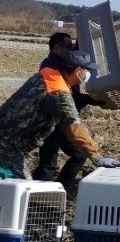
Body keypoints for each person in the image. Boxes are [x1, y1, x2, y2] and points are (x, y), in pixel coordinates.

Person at [0, 50, 120, 180]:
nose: (88, 73)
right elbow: (74, 127)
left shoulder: (47, 75)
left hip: (7, 138)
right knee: (23, 188)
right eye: (87, 70)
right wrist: (96, 156)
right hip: (7, 144)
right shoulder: (58, 92)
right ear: (78, 70)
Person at [32, 33, 104, 191]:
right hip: (53, 121)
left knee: (77, 154)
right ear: (56, 48)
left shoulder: (66, 63)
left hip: (62, 121)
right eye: (68, 47)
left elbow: (74, 96)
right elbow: (65, 99)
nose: (72, 50)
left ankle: (61, 186)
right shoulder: (52, 66)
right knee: (49, 161)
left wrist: (90, 100)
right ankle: (36, 194)